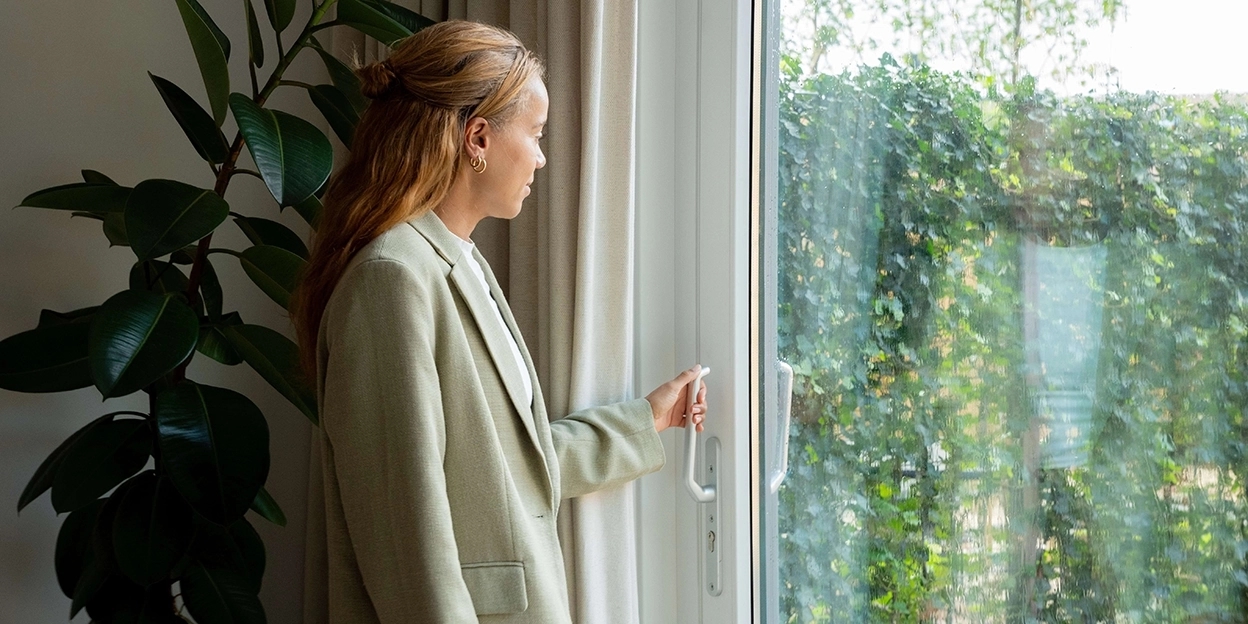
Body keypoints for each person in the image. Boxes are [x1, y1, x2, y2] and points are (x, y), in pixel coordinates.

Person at [292, 20, 709, 624]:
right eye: (536, 134)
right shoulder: (391, 280)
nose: (541, 157)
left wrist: (648, 419)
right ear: (478, 138)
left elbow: (505, 467)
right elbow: (409, 548)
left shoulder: (461, 261)